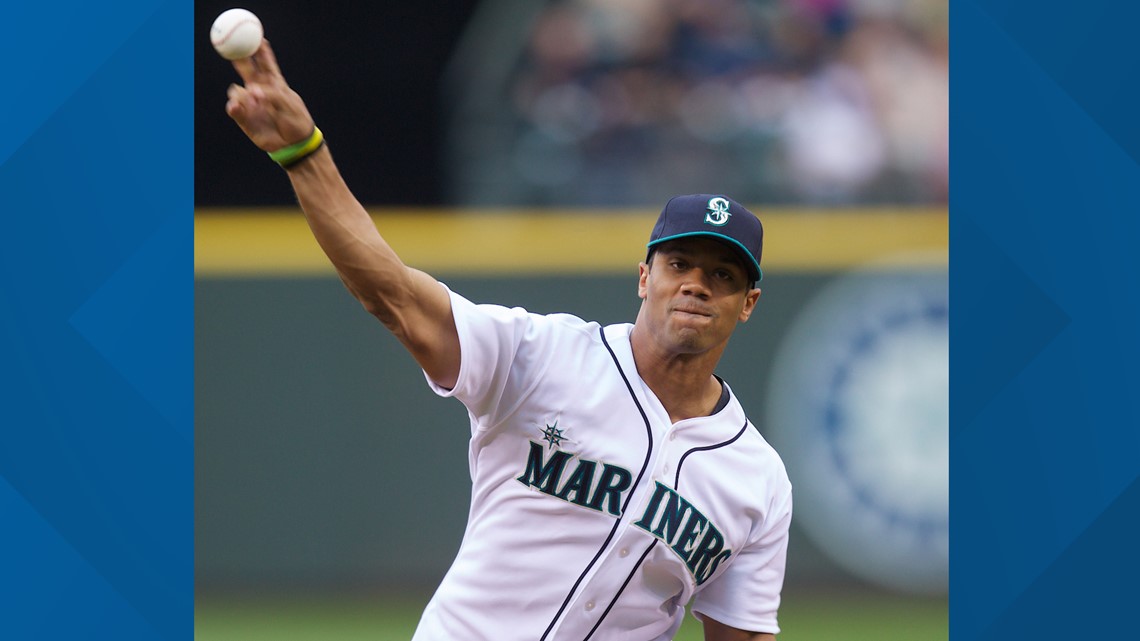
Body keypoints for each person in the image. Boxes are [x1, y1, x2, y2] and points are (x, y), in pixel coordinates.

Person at [223, 39, 792, 641]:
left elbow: (742, 635)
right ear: (645, 277)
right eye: (680, 265)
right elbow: (391, 294)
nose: (697, 286)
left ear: (747, 305)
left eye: (723, 276)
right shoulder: (541, 355)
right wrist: (304, 155)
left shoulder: (757, 478)